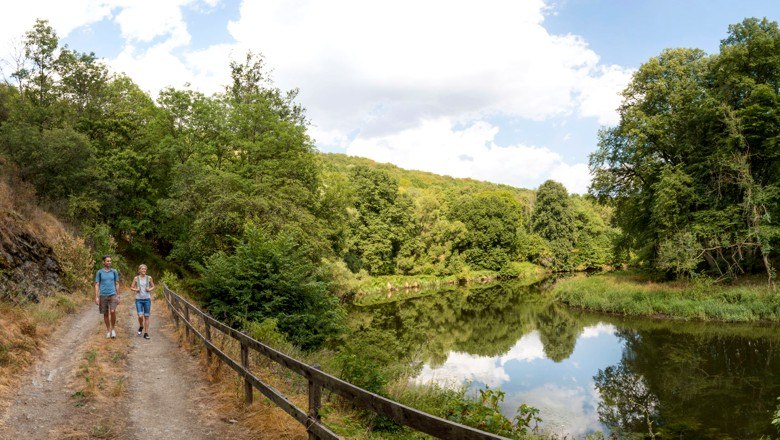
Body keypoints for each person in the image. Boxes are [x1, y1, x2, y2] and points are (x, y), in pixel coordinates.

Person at [94, 255, 120, 339]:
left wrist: (118, 295)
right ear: (104, 262)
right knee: (105, 313)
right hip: (103, 295)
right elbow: (97, 284)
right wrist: (96, 297)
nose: (109, 262)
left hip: (112, 294)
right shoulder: (99, 272)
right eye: (107, 261)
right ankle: (108, 330)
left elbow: (117, 283)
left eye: (110, 261)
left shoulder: (114, 271)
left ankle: (113, 329)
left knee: (112, 311)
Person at [130, 264, 155, 340]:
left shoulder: (149, 278)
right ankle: (141, 326)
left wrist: (149, 290)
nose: (144, 270)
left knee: (146, 316)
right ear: (139, 270)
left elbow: (153, 286)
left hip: (147, 299)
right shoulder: (136, 278)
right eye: (142, 269)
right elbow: (131, 287)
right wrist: (136, 290)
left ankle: (146, 333)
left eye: (145, 269)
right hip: (139, 299)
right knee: (140, 316)